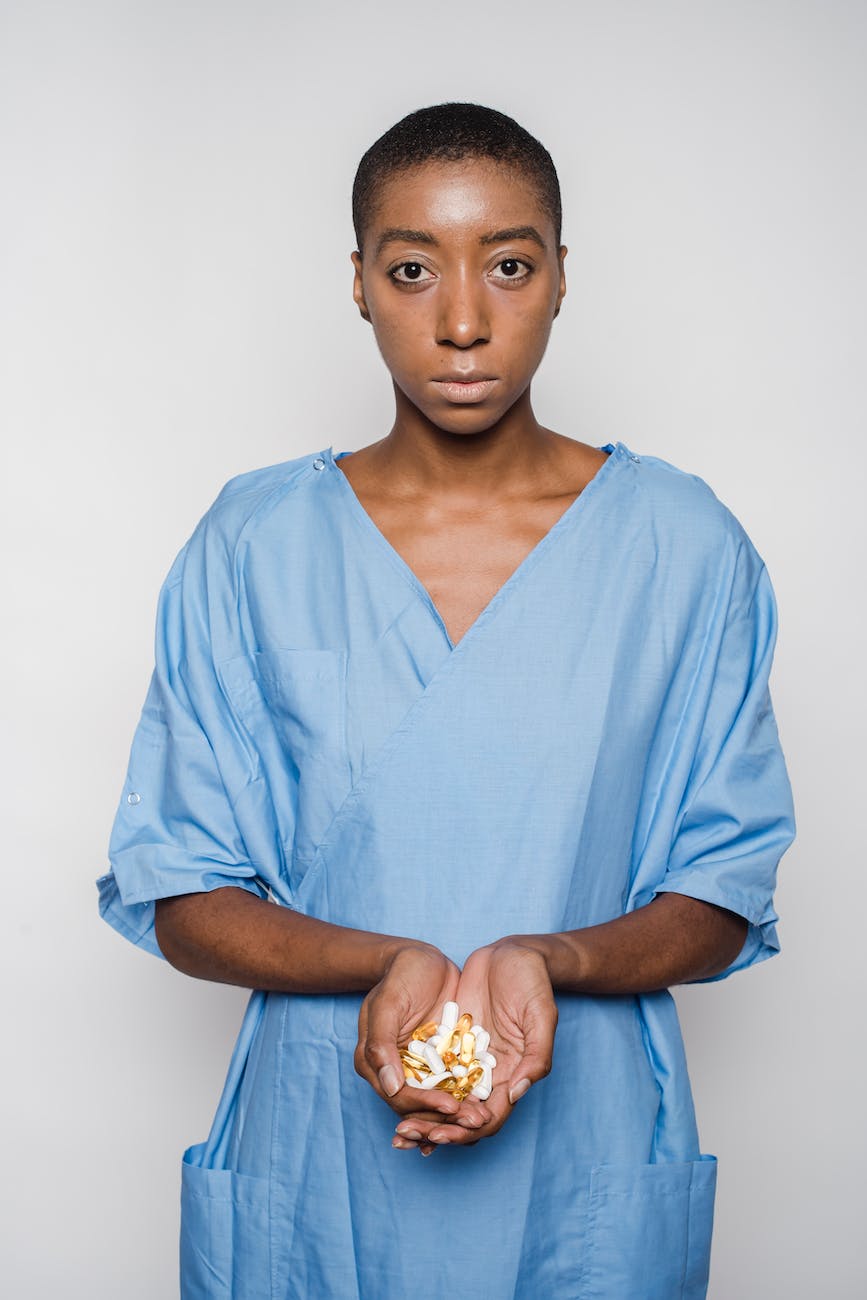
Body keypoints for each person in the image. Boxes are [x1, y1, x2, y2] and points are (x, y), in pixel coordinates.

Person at [98, 102, 796, 1299]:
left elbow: (723, 892)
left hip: (587, 1144)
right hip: (321, 1143)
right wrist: (390, 959)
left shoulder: (683, 548)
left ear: (563, 278)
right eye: (414, 269)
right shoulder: (253, 544)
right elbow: (177, 893)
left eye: (509, 265)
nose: (464, 321)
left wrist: (547, 953)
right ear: (360, 283)